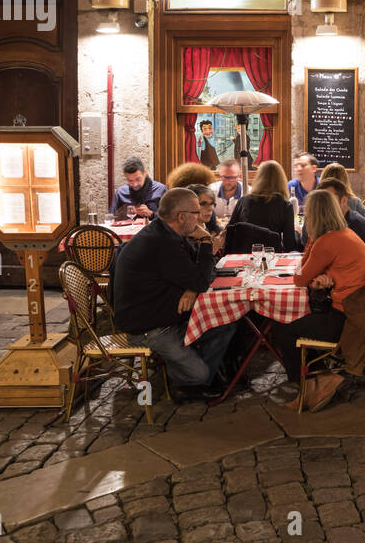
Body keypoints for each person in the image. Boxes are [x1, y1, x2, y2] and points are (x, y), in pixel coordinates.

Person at [110, 188, 237, 401]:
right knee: (199, 374)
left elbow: (204, 271)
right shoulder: (161, 242)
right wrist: (206, 241)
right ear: (181, 216)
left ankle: (196, 372)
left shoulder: (169, 233)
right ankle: (187, 380)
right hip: (148, 328)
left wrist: (191, 288)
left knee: (226, 323)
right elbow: (202, 278)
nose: (202, 216)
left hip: (168, 316)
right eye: (196, 212)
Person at [270, 190, 365, 412]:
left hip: (345, 318)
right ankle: (317, 380)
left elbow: (299, 277)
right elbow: (307, 269)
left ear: (313, 215)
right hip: (360, 311)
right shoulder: (344, 233)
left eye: (307, 213)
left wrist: (312, 243)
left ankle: (310, 385)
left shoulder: (327, 241)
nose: (305, 216)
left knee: (281, 328)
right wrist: (313, 244)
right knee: (299, 321)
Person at [302, 177, 365, 273]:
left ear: (344, 200)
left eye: (330, 201)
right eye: (322, 202)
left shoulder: (347, 226)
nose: (325, 206)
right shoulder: (349, 218)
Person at [229, 159, 300, 251]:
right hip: (271, 256)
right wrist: (297, 233)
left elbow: (230, 230)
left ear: (258, 178)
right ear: (282, 181)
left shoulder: (243, 201)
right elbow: (289, 244)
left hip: (243, 254)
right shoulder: (285, 206)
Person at [187, 183, 228, 254]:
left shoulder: (206, 226)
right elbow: (198, 263)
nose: (210, 209)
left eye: (212, 204)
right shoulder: (187, 233)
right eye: (203, 204)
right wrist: (215, 247)